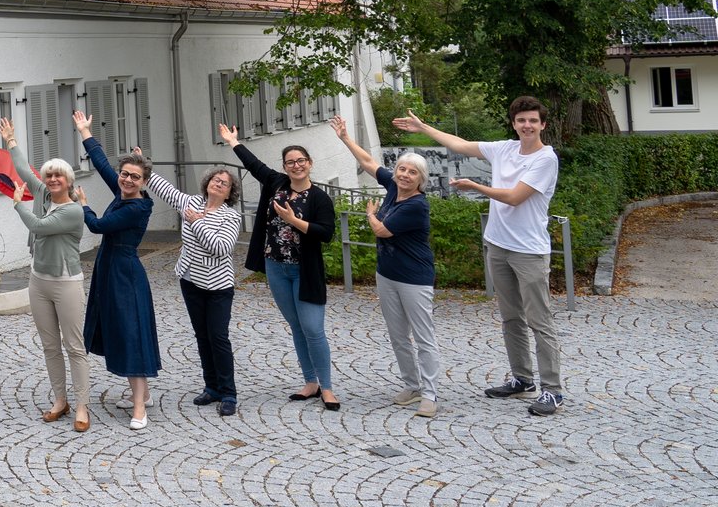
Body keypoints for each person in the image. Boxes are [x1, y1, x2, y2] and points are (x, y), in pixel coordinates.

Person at [394, 96, 563, 415]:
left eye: (533, 121)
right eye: (521, 120)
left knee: (540, 321)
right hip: (498, 245)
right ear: (514, 123)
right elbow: (461, 145)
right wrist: (423, 127)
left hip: (529, 251)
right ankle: (523, 380)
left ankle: (552, 390)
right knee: (511, 317)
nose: (527, 125)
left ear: (543, 125)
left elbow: (514, 198)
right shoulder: (504, 148)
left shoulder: (545, 159)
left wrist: (477, 186)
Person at [220, 121, 339, 409]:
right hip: (276, 267)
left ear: (309, 163)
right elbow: (253, 164)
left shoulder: (320, 198)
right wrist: (232, 142)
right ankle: (310, 382)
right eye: (290, 162)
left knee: (313, 328)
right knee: (296, 326)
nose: (296, 166)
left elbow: (326, 233)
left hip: (305, 271)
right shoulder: (276, 184)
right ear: (285, 167)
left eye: (301, 161)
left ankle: (328, 387)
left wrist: (293, 220)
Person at [336, 116, 439, 418]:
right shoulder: (394, 188)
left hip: (415, 278)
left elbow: (381, 231)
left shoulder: (416, 205)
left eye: (412, 172)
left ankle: (430, 394)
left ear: (421, 179)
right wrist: (345, 137)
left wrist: (370, 214)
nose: (405, 175)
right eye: (402, 169)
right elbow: (368, 162)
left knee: (423, 336)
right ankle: (412, 385)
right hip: (388, 275)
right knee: (397, 334)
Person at [72, 110, 160, 429]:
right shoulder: (123, 193)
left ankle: (139, 408)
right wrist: (85, 132)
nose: (126, 179)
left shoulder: (136, 206)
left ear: (144, 182)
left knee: (131, 333)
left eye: (134, 177)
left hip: (125, 274)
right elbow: (103, 166)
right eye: (125, 174)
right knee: (124, 330)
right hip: (110, 270)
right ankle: (144, 394)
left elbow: (97, 226)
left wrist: (83, 204)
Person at [3, 118, 91, 432]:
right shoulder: (41, 195)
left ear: (69, 181)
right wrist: (11, 141)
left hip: (66, 282)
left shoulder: (74, 211)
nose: (53, 179)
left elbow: (38, 227)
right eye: (50, 175)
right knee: (50, 346)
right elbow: (24, 171)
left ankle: (82, 405)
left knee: (74, 346)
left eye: (59, 176)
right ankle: (60, 400)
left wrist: (17, 204)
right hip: (38, 280)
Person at [141, 155, 243, 416]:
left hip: (219, 286)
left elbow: (221, 248)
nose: (219, 184)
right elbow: (166, 190)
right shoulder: (191, 202)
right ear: (207, 182)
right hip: (191, 280)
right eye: (216, 180)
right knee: (201, 336)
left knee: (218, 337)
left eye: (225, 183)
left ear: (230, 193)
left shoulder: (231, 217)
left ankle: (229, 392)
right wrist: (145, 167)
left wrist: (197, 222)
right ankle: (212, 387)